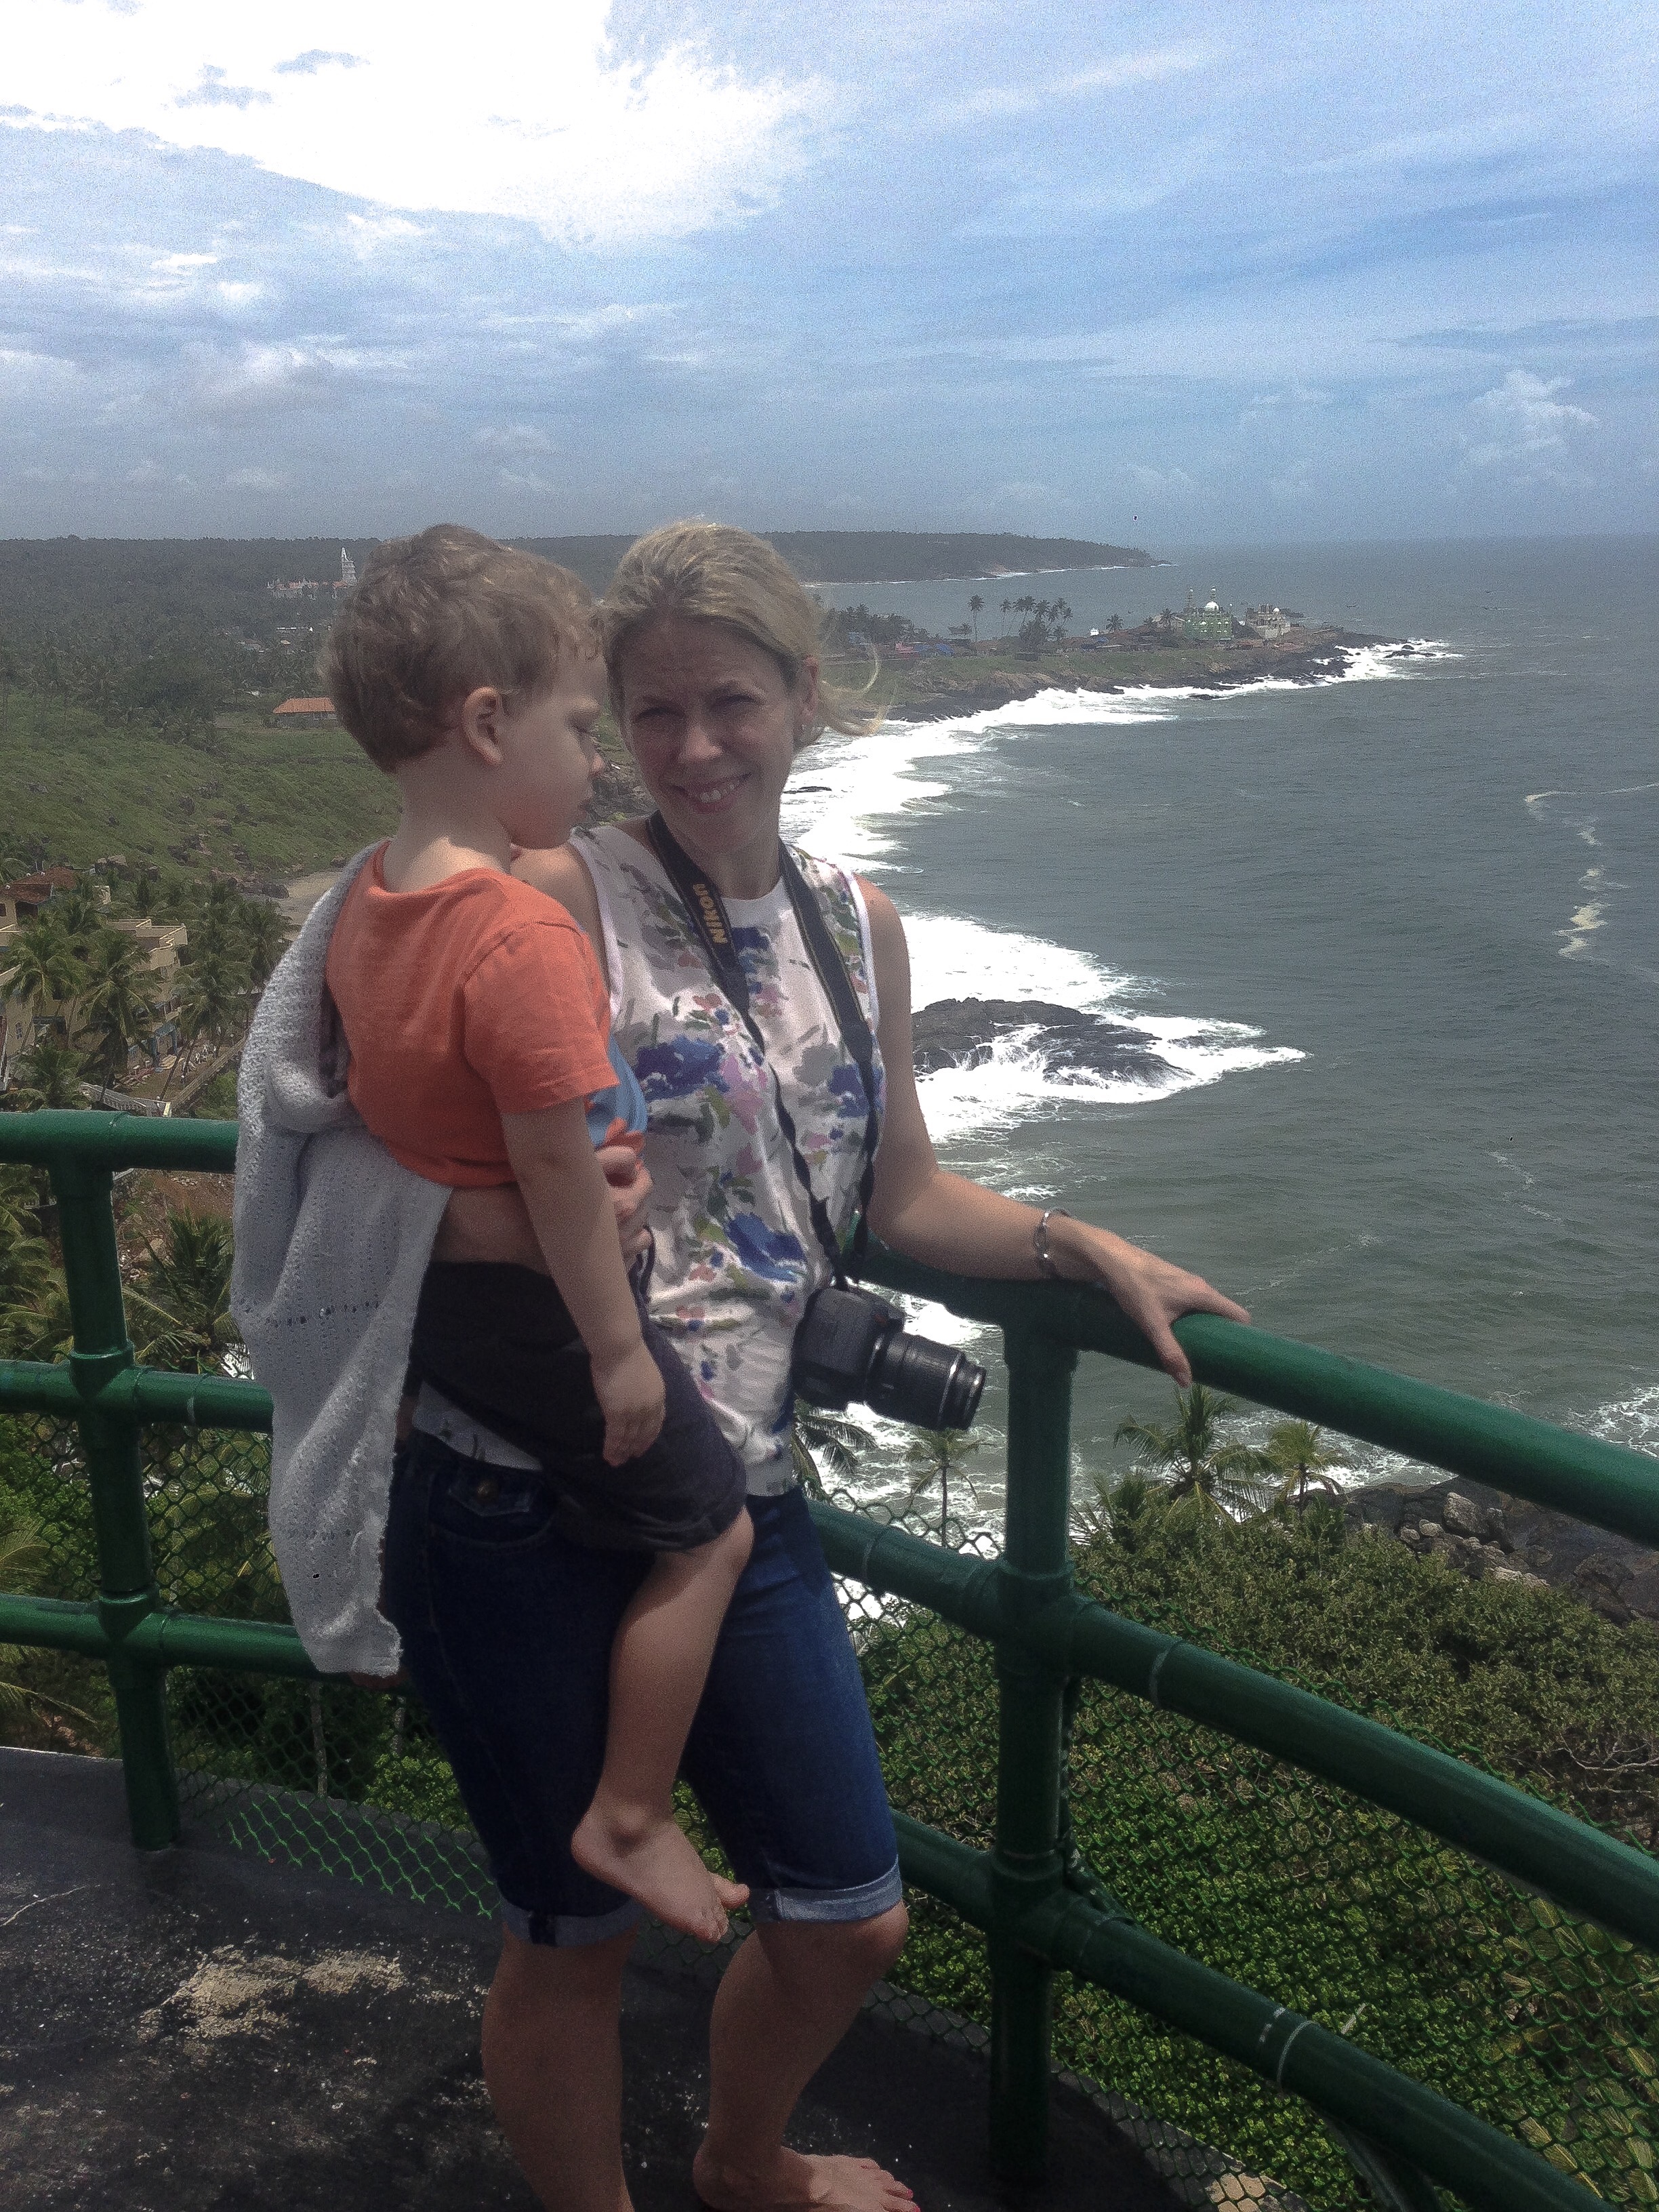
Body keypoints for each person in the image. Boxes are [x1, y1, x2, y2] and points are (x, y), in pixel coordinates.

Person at [467, 518, 1252, 2212]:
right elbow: (422, 1154)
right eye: (656, 711)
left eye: (730, 703)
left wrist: (1073, 1246)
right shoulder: (554, 899)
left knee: (849, 1912)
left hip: (739, 1493)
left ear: (806, 700)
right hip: (541, 1489)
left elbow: (897, 1191)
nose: (693, 748)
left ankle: (741, 2166)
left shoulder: (851, 921)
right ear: (615, 716)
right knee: (572, 1938)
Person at [272, 525, 757, 1945]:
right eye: (582, 726)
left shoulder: (368, 898)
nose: (599, 763)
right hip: (542, 1314)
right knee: (712, 1529)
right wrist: (620, 1353)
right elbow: (554, 1166)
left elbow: (380, 1105)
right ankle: (633, 1814)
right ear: (489, 724)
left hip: (439, 1323)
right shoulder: (517, 932)